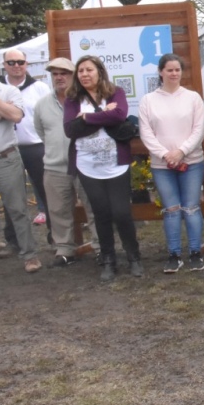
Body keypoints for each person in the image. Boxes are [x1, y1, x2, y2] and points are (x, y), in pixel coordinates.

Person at [64, 55, 142, 282]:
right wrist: (103, 116)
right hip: (87, 165)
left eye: (89, 70)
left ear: (99, 71)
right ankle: (108, 260)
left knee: (121, 212)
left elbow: (119, 115)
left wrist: (87, 116)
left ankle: (134, 257)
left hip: (116, 163)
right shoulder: (72, 99)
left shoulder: (115, 92)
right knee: (101, 213)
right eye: (81, 71)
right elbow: (71, 129)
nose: (85, 74)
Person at [138, 53, 204, 274]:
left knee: (192, 208)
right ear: (160, 72)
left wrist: (182, 151)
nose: (174, 73)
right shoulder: (148, 100)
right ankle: (174, 255)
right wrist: (165, 154)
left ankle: (196, 253)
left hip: (192, 163)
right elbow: (146, 133)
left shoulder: (193, 98)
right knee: (172, 210)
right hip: (162, 166)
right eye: (169, 70)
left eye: (177, 69)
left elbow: (198, 130)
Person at [34, 57, 87, 266]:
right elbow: (41, 132)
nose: (59, 77)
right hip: (55, 166)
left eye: (63, 73)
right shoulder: (42, 104)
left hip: (84, 165)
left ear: (73, 76)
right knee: (58, 210)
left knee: (92, 207)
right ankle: (65, 249)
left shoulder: (85, 100)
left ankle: (102, 247)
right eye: (55, 74)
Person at [0, 48, 53, 247]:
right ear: (4, 65)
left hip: (35, 146)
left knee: (45, 191)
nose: (16, 66)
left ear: (26, 64)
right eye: (11, 62)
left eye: (20, 62)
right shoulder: (0, 88)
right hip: (8, 148)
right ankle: (14, 239)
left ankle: (54, 235)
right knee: (10, 196)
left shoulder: (39, 87)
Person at [0, 77, 39, 271]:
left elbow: (15, 116)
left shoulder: (9, 91)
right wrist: (2, 112)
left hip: (6, 158)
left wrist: (4, 108)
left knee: (17, 208)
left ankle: (29, 255)